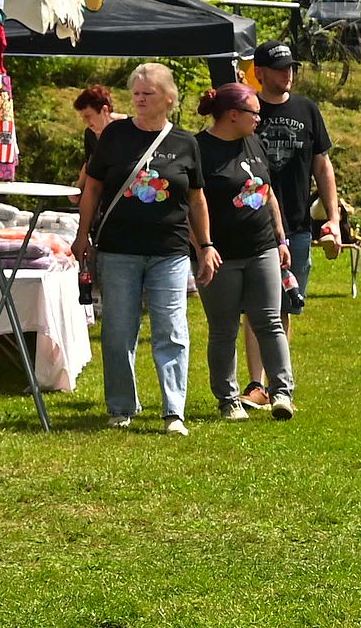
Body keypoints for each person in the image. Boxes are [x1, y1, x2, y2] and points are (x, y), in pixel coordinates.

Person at [76, 62, 217, 434]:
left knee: (171, 329)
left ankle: (174, 412)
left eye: (147, 93)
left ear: (168, 98)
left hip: (170, 250)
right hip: (117, 249)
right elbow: (92, 187)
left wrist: (205, 245)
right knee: (118, 330)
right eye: (136, 93)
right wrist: (82, 235)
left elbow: (197, 199)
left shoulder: (186, 143)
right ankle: (121, 406)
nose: (139, 99)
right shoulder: (114, 135)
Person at [247, 41, 343, 397]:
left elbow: (323, 166)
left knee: (285, 306)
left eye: (290, 67)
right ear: (259, 72)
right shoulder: (246, 110)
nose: (287, 74)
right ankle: (255, 383)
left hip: (298, 226)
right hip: (253, 225)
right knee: (256, 307)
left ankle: (277, 384)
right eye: (279, 68)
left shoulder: (307, 109)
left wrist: (333, 218)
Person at [194, 81, 292, 420]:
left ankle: (281, 393)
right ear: (233, 115)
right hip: (221, 255)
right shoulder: (199, 149)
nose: (259, 119)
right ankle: (228, 399)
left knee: (269, 322)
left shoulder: (253, 142)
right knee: (224, 329)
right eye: (254, 113)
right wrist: (203, 247)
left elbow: (267, 191)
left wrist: (280, 239)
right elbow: (190, 204)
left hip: (262, 248)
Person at [73, 83, 116, 166]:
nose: (85, 121)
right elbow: (89, 165)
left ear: (104, 110)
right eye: (82, 117)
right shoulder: (90, 134)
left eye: (87, 116)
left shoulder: (128, 130)